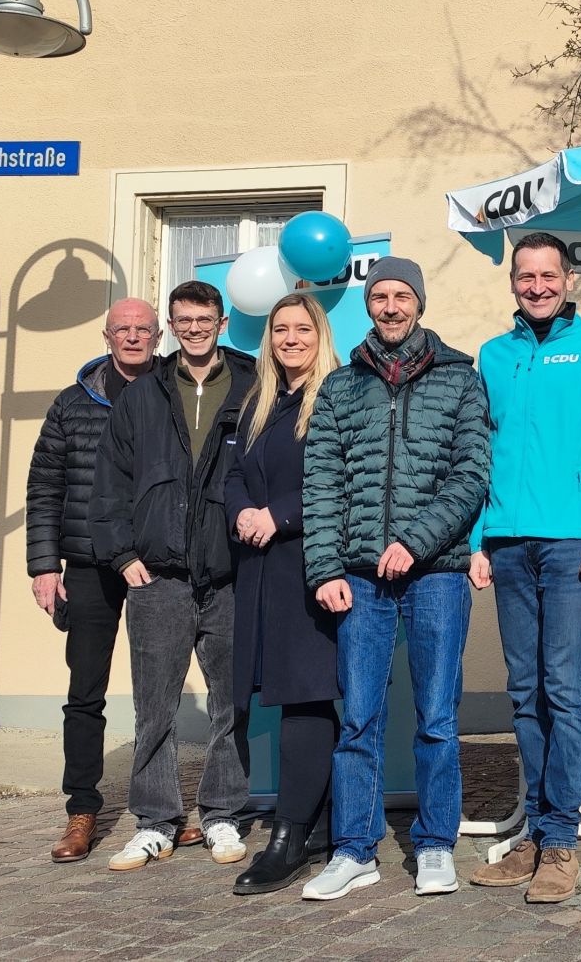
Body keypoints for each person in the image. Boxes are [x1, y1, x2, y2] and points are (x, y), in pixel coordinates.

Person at [299, 257, 491, 902]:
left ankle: (435, 845)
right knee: (359, 717)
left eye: (401, 295)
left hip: (436, 573)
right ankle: (354, 850)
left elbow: (472, 475)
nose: (390, 306)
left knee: (436, 715)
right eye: (379, 295)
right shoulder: (341, 386)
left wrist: (415, 541)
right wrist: (325, 568)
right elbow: (321, 483)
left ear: (419, 303)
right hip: (359, 578)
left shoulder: (460, 378)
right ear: (368, 305)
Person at [467, 232, 581, 905]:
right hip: (508, 542)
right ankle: (535, 832)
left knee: (563, 688)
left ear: (569, 279)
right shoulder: (494, 354)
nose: (536, 286)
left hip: (571, 544)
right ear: (513, 282)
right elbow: (481, 452)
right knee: (523, 690)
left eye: (547, 275)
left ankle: (561, 839)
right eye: (525, 276)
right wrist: (478, 539)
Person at [90, 280, 255, 872]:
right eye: (183, 320)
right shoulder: (144, 394)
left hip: (230, 572)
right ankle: (156, 822)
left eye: (204, 319)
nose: (194, 328)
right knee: (154, 707)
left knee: (231, 704)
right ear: (171, 325)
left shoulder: (253, 384)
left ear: (222, 322)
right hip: (157, 577)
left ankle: (222, 814)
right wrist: (121, 555)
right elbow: (109, 482)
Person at [28, 297, 178, 863]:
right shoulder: (72, 404)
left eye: (143, 329)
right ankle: (82, 810)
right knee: (85, 691)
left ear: (158, 336)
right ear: (106, 335)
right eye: (123, 329)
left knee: (158, 692)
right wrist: (45, 566)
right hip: (89, 563)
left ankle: (160, 812)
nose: (133, 337)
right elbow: (45, 487)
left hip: (155, 562)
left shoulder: (174, 391)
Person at [224, 293, 341, 896]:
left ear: (321, 336)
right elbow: (233, 474)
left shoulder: (338, 396)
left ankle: (290, 837)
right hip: (261, 568)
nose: (291, 339)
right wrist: (243, 510)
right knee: (285, 695)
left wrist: (280, 516)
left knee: (306, 696)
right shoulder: (259, 402)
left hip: (313, 566)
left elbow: (344, 480)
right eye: (280, 329)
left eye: (302, 329)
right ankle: (316, 818)